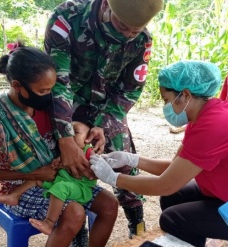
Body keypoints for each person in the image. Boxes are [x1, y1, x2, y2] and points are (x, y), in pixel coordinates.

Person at [89, 60, 228, 247]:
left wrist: (113, 178)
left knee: (172, 218)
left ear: (185, 95)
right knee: (174, 197)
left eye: (166, 100)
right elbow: (175, 169)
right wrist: (131, 159)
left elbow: (165, 183)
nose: (165, 106)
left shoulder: (213, 125)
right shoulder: (204, 115)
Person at [0, 43, 118, 247]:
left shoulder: (53, 108)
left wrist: (90, 133)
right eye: (43, 90)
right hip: (18, 187)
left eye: (52, 89)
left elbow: (74, 127)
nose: (50, 96)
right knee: (75, 212)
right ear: (17, 86)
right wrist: (34, 174)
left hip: (58, 176)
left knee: (110, 204)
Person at [44, 0, 164, 238]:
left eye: (136, 30)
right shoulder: (67, 18)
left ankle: (137, 225)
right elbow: (58, 83)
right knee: (71, 165)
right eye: (123, 27)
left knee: (123, 161)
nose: (129, 35)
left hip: (106, 110)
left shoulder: (141, 40)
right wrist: (65, 137)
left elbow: (129, 90)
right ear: (107, 6)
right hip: (65, 108)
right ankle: (78, 233)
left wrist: (102, 124)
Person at [0, 121, 97, 235]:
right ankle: (14, 195)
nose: (69, 136)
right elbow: (58, 165)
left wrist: (92, 169)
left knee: (60, 188)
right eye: (67, 132)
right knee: (37, 178)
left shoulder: (89, 153)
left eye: (75, 132)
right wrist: (57, 165)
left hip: (80, 187)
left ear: (88, 139)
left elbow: (97, 171)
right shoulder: (66, 149)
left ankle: (49, 222)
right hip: (62, 181)